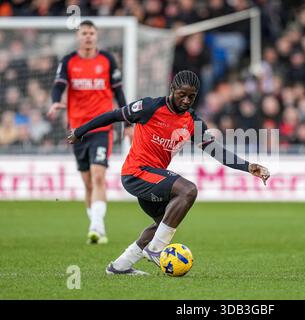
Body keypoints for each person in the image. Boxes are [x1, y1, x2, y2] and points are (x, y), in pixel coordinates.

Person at [67, 70, 270, 275]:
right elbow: (113, 115)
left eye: (191, 96)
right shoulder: (149, 107)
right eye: (182, 94)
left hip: (152, 177)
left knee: (164, 222)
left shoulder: (193, 122)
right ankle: (156, 250)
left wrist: (248, 166)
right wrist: (79, 132)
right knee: (188, 191)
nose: (186, 100)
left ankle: (119, 266)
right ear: (172, 89)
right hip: (136, 172)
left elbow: (216, 151)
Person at [47, 20, 132, 245]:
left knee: (98, 176)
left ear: (96, 36)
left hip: (102, 128)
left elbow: (118, 92)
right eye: (84, 33)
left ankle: (97, 226)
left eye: (91, 33)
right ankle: (96, 225)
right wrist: (56, 102)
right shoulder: (68, 61)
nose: (88, 37)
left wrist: (128, 123)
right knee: (87, 182)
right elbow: (58, 85)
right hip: (76, 130)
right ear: (78, 37)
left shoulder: (107, 60)